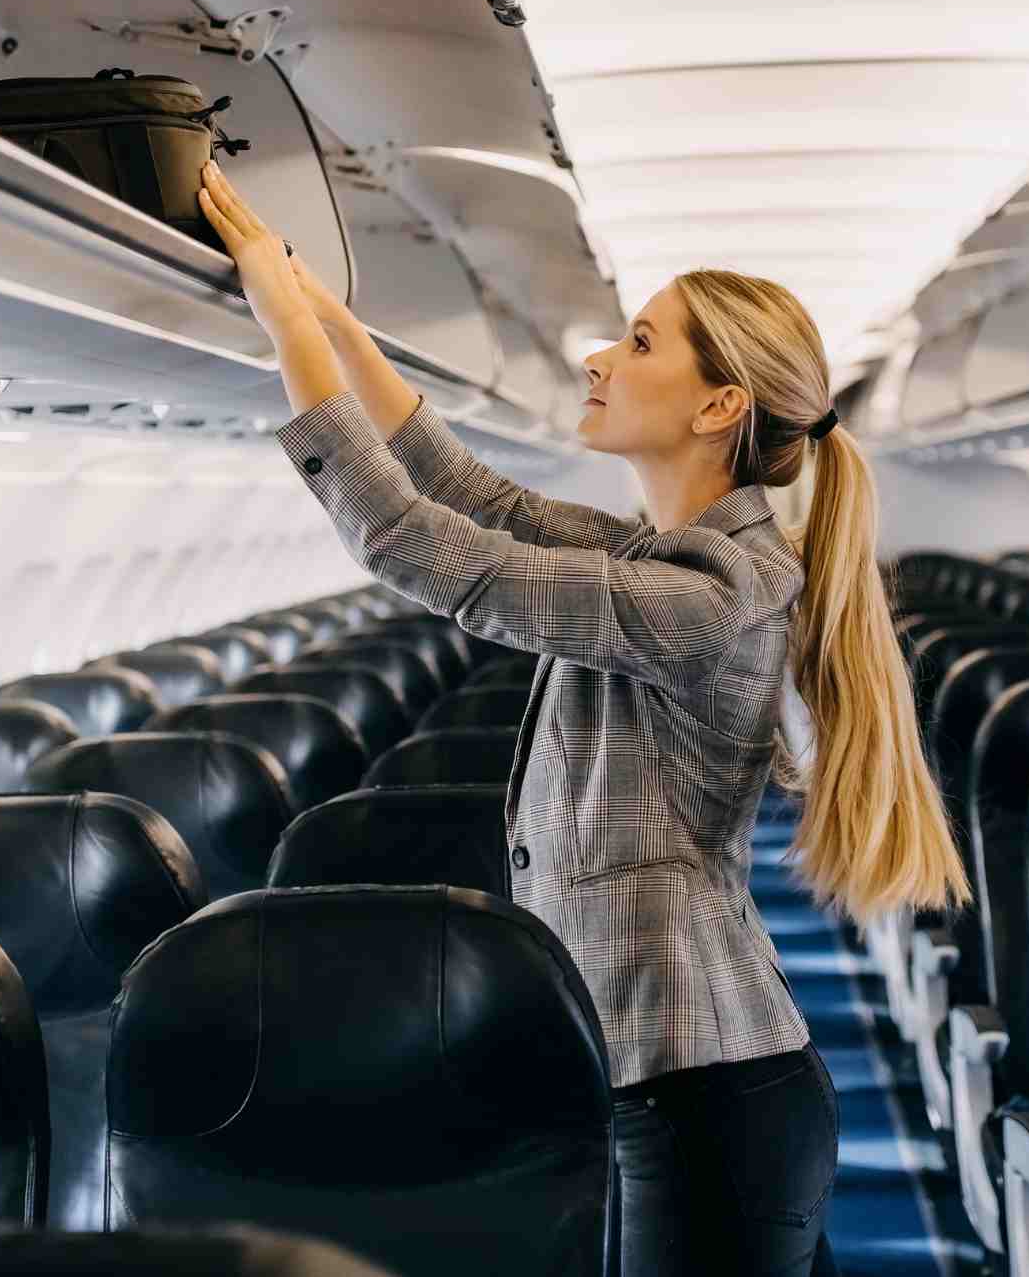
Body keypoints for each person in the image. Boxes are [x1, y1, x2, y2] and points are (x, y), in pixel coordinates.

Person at [198, 161, 967, 1277]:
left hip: (702, 1100)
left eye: (640, 343)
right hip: (674, 1078)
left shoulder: (714, 595)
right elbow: (475, 499)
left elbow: (425, 548)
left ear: (720, 406)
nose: (601, 357)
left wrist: (285, 336)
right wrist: (325, 316)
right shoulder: (676, 558)